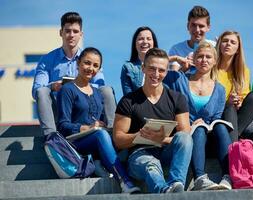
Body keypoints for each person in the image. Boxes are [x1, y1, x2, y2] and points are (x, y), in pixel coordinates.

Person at [57, 47, 140, 194]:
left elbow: (100, 121)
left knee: (124, 134)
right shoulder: (67, 90)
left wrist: (101, 125)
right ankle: (124, 181)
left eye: (95, 66)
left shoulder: (97, 93)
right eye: (87, 63)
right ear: (78, 63)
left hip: (96, 140)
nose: (91, 68)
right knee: (101, 135)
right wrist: (87, 128)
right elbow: (63, 126)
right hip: (75, 142)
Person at [113, 48, 193, 193]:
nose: (156, 74)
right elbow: (118, 139)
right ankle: (165, 192)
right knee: (151, 163)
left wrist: (162, 139)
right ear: (143, 68)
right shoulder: (128, 101)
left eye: (161, 70)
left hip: (167, 152)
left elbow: (185, 134)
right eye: (152, 69)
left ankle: (176, 183)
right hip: (139, 155)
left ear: (166, 72)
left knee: (185, 138)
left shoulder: (177, 98)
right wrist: (141, 136)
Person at [32, 12, 114, 136]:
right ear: (61, 32)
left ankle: (112, 132)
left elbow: (99, 87)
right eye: (67, 31)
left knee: (106, 90)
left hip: (84, 110)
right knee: (42, 91)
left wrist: (80, 87)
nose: (71, 35)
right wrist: (53, 86)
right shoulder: (47, 60)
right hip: (59, 110)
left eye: (75, 31)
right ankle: (52, 137)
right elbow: (36, 91)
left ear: (81, 34)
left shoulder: (91, 60)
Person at [164, 41, 232, 190]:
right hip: (189, 135)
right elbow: (157, 69)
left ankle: (228, 176)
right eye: (200, 56)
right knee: (199, 129)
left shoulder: (220, 89)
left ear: (214, 61)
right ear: (194, 59)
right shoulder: (180, 79)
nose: (204, 60)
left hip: (211, 139)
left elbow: (217, 116)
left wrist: (209, 125)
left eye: (208, 57)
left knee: (220, 125)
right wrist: (175, 58)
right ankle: (200, 178)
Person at [215, 31, 253, 141]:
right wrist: (228, 102)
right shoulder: (212, 69)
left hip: (237, 114)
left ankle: (234, 136)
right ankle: (234, 143)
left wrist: (239, 102)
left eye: (233, 42)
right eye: (225, 41)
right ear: (219, 44)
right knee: (230, 109)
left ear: (237, 49)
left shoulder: (244, 71)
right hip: (219, 112)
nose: (228, 44)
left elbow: (244, 95)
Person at [168, 5, 216, 72]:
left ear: (208, 27)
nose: (197, 30)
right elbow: (171, 78)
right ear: (188, 26)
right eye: (193, 25)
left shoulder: (215, 47)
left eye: (201, 26)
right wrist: (185, 68)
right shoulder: (176, 50)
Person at [120, 26, 158, 95]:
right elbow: (128, 98)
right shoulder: (128, 67)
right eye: (141, 39)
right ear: (135, 44)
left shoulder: (163, 66)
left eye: (149, 39)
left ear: (154, 43)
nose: (145, 41)